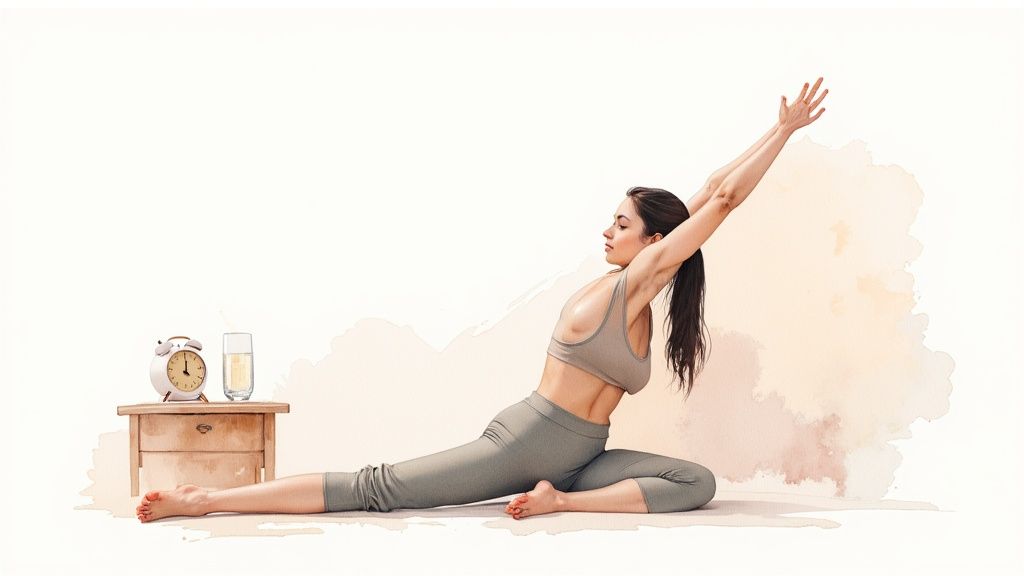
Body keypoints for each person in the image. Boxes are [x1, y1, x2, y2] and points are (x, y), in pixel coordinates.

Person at [137, 77, 828, 523]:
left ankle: (566, 503)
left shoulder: (647, 290)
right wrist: (783, 130)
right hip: (526, 442)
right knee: (378, 488)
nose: (607, 231)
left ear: (652, 238)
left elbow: (716, 193)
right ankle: (207, 503)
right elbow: (720, 196)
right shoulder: (628, 286)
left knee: (695, 481)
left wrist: (783, 132)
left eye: (621, 223)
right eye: (614, 222)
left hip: (583, 457)